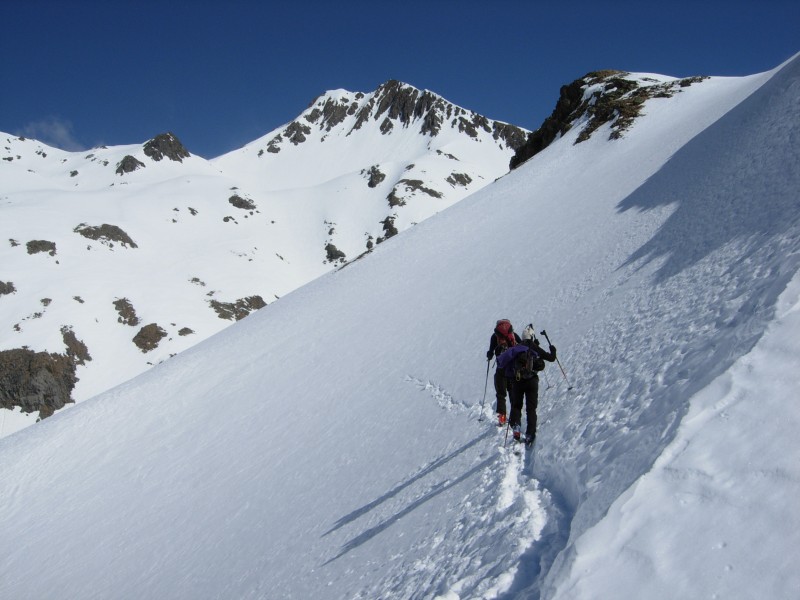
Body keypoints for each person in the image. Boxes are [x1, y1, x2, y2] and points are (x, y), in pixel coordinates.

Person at [497, 324, 556, 446]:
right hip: (532, 381)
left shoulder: (516, 348)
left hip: (517, 382)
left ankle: (517, 428)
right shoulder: (533, 347)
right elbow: (551, 358)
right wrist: (553, 350)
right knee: (531, 408)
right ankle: (530, 433)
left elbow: (502, 362)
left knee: (516, 405)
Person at [486, 319, 521, 426]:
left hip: (501, 367)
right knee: (512, 391)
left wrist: (489, 355)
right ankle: (515, 417)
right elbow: (520, 345)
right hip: (512, 367)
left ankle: (502, 417)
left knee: (501, 393)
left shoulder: (494, 336)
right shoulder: (513, 334)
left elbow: (491, 351)